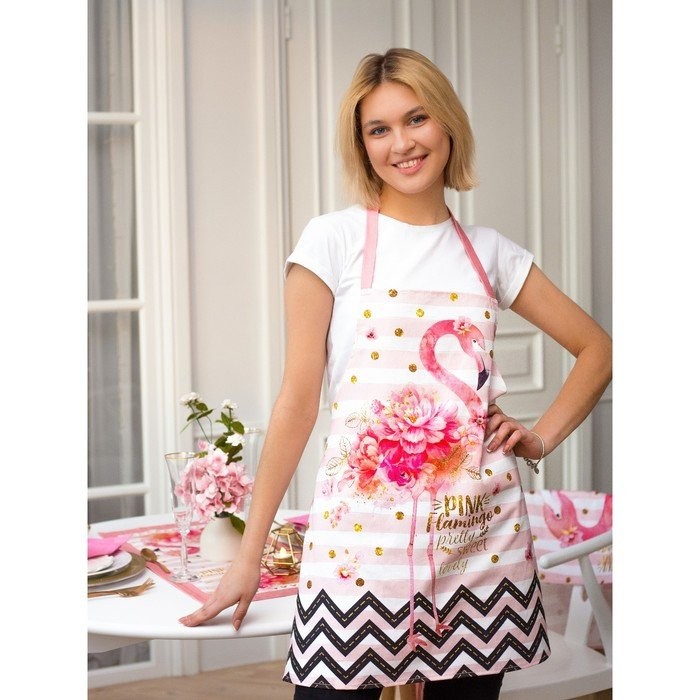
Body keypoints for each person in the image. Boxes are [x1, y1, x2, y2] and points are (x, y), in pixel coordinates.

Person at [179, 48, 612, 700]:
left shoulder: (491, 253)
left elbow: (598, 349)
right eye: (378, 129)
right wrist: (250, 556)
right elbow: (297, 402)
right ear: (362, 146)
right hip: (359, 550)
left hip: (476, 541)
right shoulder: (333, 240)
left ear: (447, 124)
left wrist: (540, 437)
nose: (402, 143)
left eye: (416, 119)